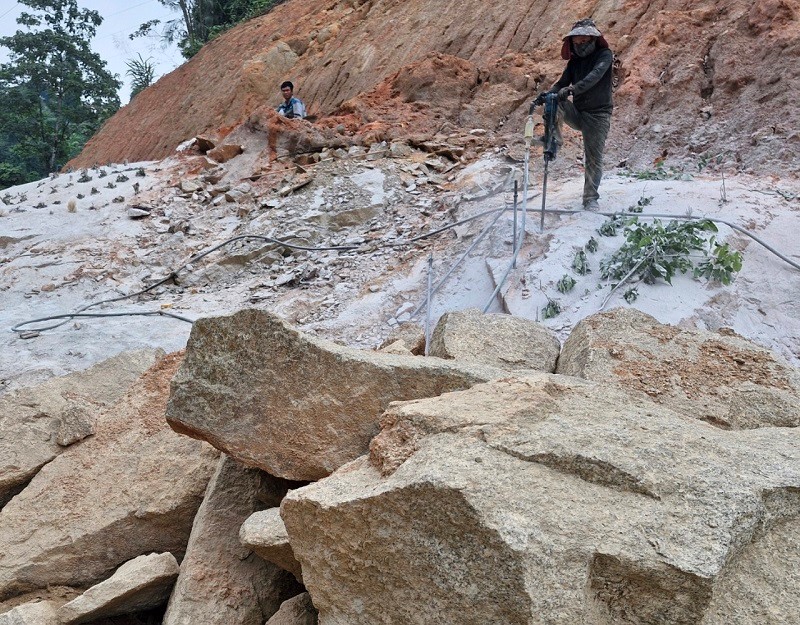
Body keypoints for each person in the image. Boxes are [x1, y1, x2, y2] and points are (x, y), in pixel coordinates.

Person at [533, 18, 613, 211]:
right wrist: (550, 92)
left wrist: (572, 90)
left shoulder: (604, 55)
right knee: (555, 101)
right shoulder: (574, 62)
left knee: (593, 157)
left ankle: (590, 198)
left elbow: (594, 77)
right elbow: (561, 83)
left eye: (583, 42)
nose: (579, 46)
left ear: (593, 40)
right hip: (578, 112)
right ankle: (553, 140)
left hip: (597, 115)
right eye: (576, 43)